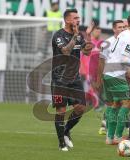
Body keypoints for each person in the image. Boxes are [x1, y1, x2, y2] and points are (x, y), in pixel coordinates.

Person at [96, 14, 130, 144]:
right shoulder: (129, 37)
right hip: (116, 73)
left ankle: (110, 137)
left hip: (109, 72)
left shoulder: (122, 35)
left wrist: (128, 73)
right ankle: (117, 136)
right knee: (127, 103)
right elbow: (123, 58)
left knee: (115, 104)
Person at [51, 8, 94, 151]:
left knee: (81, 108)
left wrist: (87, 35)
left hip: (74, 78)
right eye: (75, 18)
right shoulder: (58, 35)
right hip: (59, 80)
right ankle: (61, 143)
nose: (78, 20)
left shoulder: (79, 36)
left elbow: (87, 52)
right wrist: (75, 36)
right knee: (61, 110)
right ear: (67, 20)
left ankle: (66, 131)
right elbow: (66, 51)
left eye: (78, 18)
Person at [97, 20, 126, 135]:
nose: (122, 29)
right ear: (114, 29)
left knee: (114, 103)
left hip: (121, 75)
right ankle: (112, 131)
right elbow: (101, 61)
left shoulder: (126, 41)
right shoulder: (107, 43)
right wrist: (99, 78)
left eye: (124, 27)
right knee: (116, 103)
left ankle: (109, 130)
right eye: (119, 27)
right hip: (110, 75)